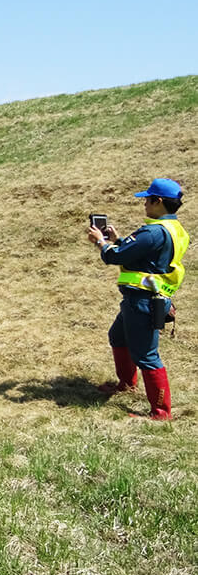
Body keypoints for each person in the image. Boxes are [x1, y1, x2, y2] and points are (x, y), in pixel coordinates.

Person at [87, 177, 189, 420]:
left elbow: (115, 257)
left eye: (147, 200)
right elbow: (146, 257)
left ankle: (161, 413)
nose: (144, 204)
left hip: (142, 301)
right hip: (142, 299)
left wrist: (102, 243)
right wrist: (120, 240)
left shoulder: (152, 231)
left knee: (147, 356)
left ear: (158, 201)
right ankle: (126, 384)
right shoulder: (174, 229)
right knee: (118, 337)